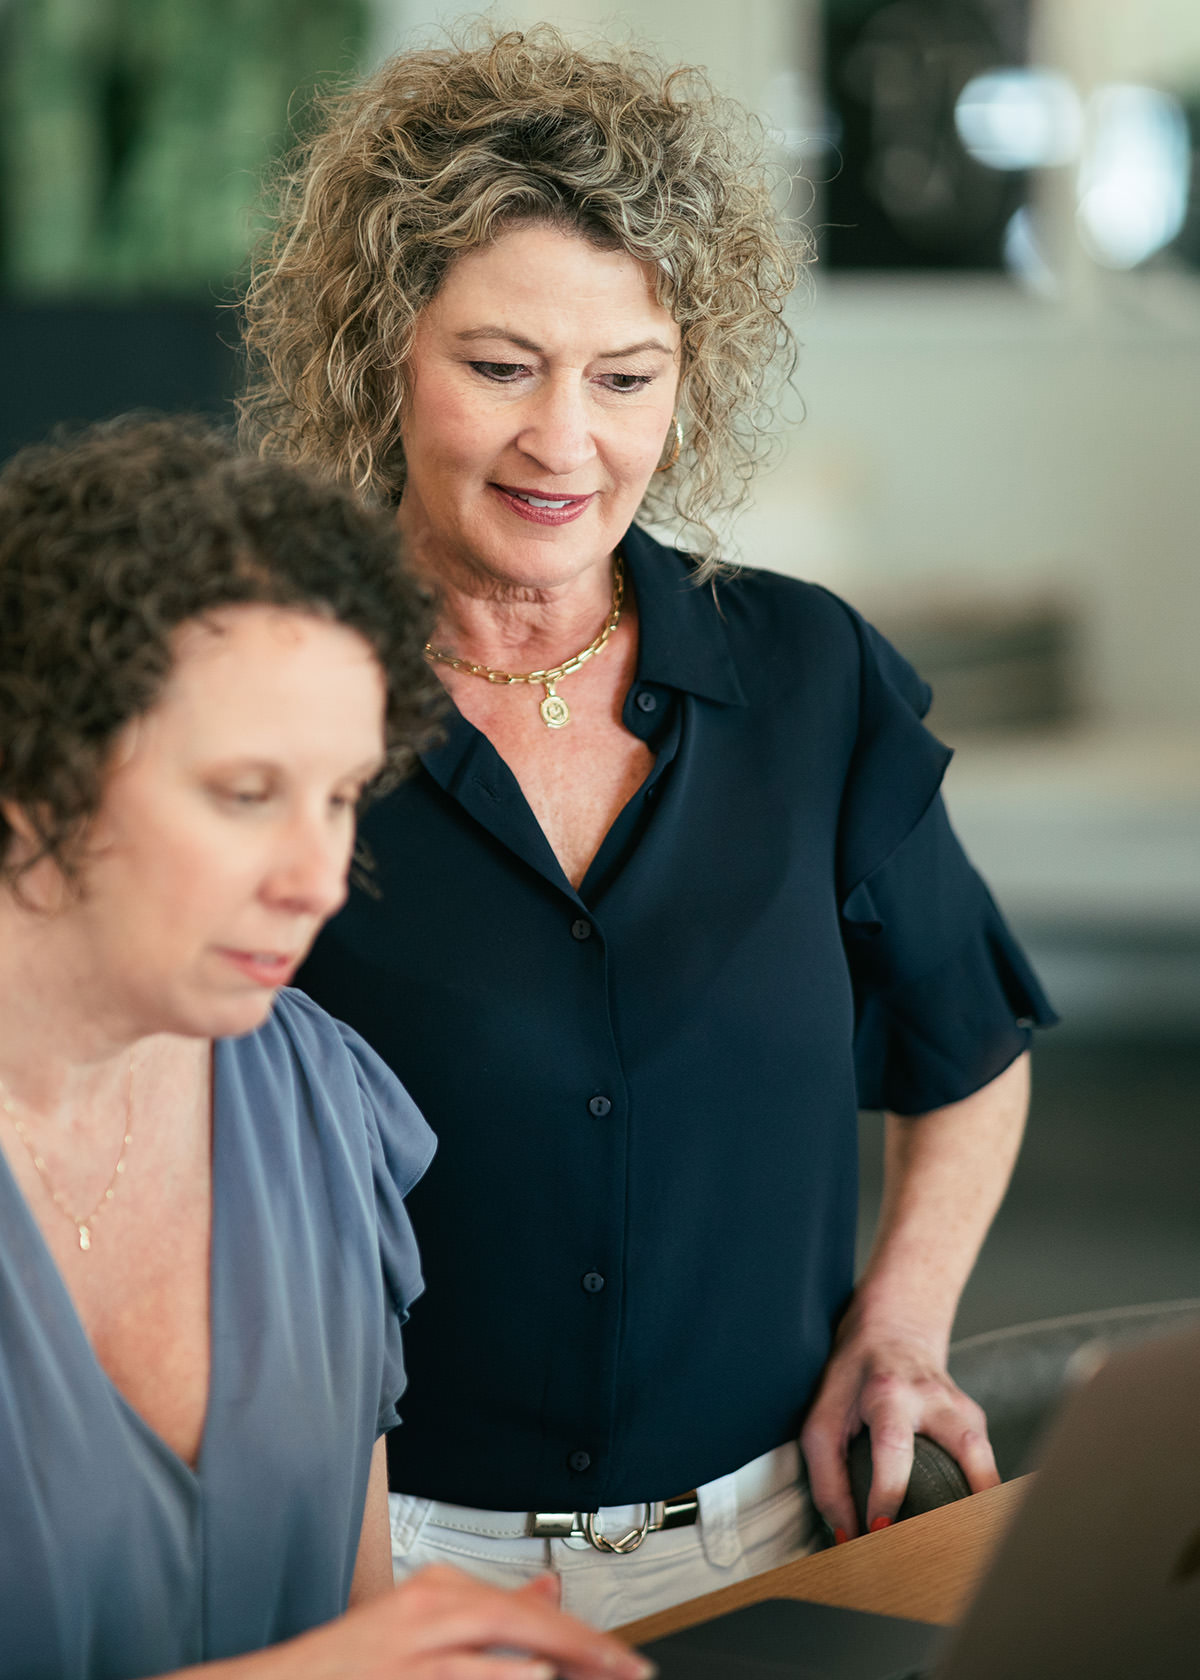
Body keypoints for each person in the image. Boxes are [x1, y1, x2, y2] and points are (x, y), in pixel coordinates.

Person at [240, 24, 1057, 1628]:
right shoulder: (264, 695)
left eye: (627, 377)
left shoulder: (808, 675)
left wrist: (900, 1323)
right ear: (377, 347)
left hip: (782, 1552)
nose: (568, 443)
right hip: (376, 1576)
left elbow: (969, 1047)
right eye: (499, 367)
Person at [0, 414, 655, 1680]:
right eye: (247, 794)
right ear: (34, 770)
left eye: (345, 795)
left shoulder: (315, 1096)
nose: (318, 878)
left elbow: (358, 1634)